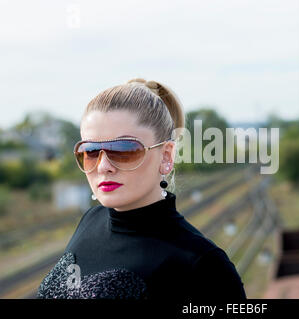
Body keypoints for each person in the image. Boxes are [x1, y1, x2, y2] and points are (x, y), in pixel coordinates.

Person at [36, 78, 247, 300]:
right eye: (90, 151)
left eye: (125, 150)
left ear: (166, 156)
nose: (103, 166)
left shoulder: (204, 266)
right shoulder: (90, 220)